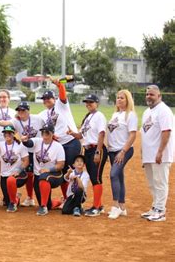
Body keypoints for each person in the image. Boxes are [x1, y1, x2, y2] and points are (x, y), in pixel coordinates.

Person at [0, 101, 44, 207]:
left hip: (38, 150)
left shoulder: (37, 119)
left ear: (28, 110)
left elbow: (47, 128)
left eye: (23, 110)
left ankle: (41, 200)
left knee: (38, 174)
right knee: (29, 174)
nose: (21, 112)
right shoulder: (16, 121)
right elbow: (6, 123)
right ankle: (30, 198)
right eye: (19, 110)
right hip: (26, 150)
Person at [37, 79, 80, 200]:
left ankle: (76, 198)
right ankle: (67, 198)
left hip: (71, 142)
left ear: (54, 99)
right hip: (60, 146)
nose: (46, 101)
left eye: (48, 98)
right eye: (44, 99)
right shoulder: (44, 114)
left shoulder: (61, 105)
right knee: (64, 172)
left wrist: (60, 85)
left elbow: (63, 95)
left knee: (72, 170)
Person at [67, 94, 108, 217]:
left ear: (97, 103)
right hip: (88, 150)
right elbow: (81, 136)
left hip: (96, 149)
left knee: (96, 178)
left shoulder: (99, 116)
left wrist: (98, 152)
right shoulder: (88, 117)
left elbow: (101, 134)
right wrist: (72, 133)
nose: (88, 104)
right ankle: (98, 205)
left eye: (91, 102)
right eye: (87, 102)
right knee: (93, 177)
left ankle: (96, 208)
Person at [140, 85, 174, 222]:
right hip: (149, 154)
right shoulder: (147, 112)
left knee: (160, 182)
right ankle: (155, 207)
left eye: (152, 94)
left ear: (159, 96)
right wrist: (143, 152)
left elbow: (166, 132)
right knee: (152, 183)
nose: (149, 97)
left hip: (160, 154)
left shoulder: (164, 111)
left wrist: (160, 151)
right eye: (147, 94)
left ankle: (160, 210)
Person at [22, 124, 66, 216]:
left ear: (52, 134)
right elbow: (29, 143)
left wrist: (48, 170)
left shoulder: (58, 146)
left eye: (47, 133)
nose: (45, 135)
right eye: (43, 132)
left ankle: (43, 207)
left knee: (43, 178)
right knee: (48, 204)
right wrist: (25, 140)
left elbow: (61, 165)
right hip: (39, 176)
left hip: (54, 174)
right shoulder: (38, 141)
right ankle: (57, 202)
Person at [106, 90, 137, 219]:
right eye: (117, 98)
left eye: (122, 98)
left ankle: (115, 206)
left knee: (113, 175)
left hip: (123, 150)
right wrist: (109, 149)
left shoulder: (130, 115)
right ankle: (122, 207)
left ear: (127, 100)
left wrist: (123, 151)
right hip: (113, 150)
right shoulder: (115, 114)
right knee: (119, 176)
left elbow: (133, 134)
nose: (119, 100)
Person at [0, 125, 29, 213]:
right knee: (7, 201)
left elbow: (26, 161)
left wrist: (19, 170)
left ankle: (13, 203)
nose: (7, 135)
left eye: (9, 133)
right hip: (4, 176)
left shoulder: (20, 145)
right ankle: (16, 197)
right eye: (5, 133)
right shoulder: (1, 144)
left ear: (13, 134)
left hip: (18, 175)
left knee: (11, 200)